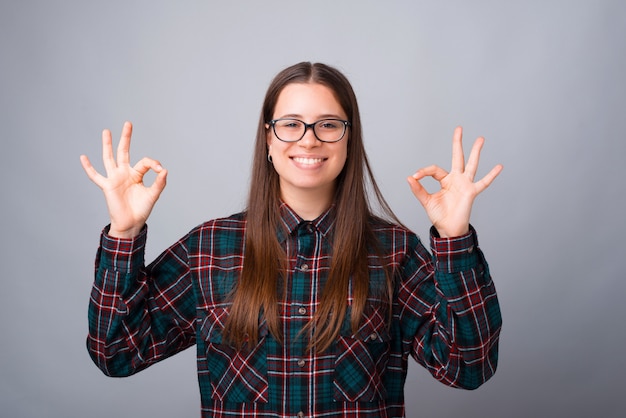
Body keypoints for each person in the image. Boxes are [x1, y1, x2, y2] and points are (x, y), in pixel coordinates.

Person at [80, 61, 503, 418]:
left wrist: (455, 238)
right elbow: (117, 353)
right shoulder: (207, 248)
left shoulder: (394, 251)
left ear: (349, 138)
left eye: (328, 125)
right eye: (291, 124)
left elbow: (469, 367)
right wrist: (125, 232)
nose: (309, 139)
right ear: (268, 138)